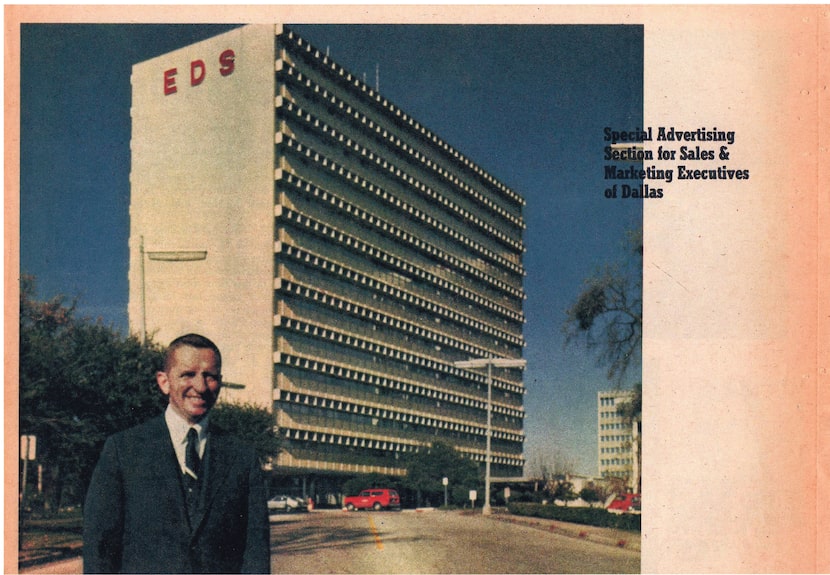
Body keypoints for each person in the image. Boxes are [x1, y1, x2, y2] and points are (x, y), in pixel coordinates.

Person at [83, 333, 271, 573]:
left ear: (220, 383)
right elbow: (100, 547)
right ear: (164, 381)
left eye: (210, 376)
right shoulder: (123, 450)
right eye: (188, 374)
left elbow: (256, 552)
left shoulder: (242, 457)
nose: (201, 386)